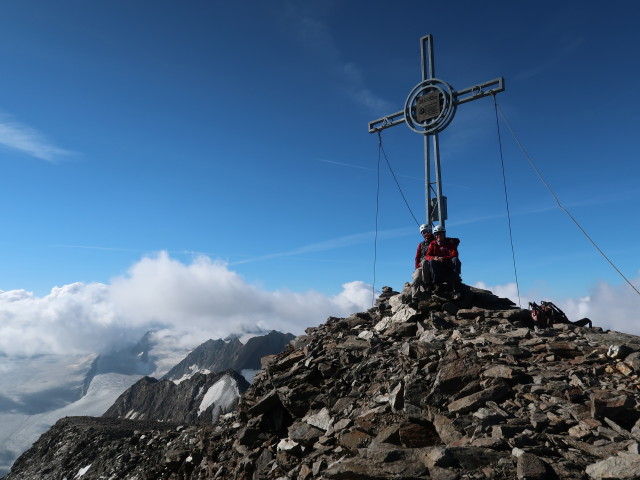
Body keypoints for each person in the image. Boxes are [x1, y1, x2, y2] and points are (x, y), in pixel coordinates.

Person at [426, 225, 462, 293]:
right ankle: (437, 286)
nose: (438, 236)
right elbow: (427, 255)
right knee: (431, 262)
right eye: (436, 234)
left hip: (449, 266)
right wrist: (435, 258)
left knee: (455, 260)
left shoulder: (450, 242)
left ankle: (456, 286)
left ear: (444, 234)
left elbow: (455, 254)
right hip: (439, 267)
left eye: (440, 234)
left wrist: (444, 258)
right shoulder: (433, 244)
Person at [411, 224, 434, 297]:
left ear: (431, 231)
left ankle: (427, 286)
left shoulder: (435, 242)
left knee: (424, 262)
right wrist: (417, 267)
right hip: (421, 266)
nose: (426, 233)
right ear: (421, 233)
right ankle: (415, 297)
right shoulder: (421, 245)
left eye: (428, 231)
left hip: (432, 264)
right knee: (416, 277)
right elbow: (417, 257)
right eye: (424, 232)